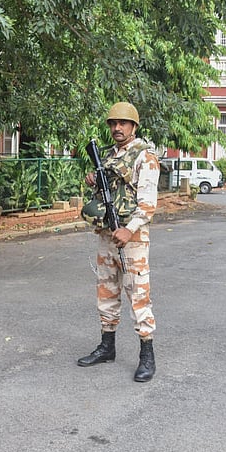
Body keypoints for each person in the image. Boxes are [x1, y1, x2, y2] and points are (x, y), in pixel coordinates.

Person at [78, 102, 160, 382]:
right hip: (107, 235)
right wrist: (93, 180)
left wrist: (131, 228)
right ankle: (107, 347)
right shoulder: (109, 157)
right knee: (106, 291)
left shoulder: (145, 156)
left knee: (138, 295)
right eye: (113, 123)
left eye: (123, 123)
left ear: (134, 127)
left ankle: (146, 355)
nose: (117, 128)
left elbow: (148, 204)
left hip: (132, 239)